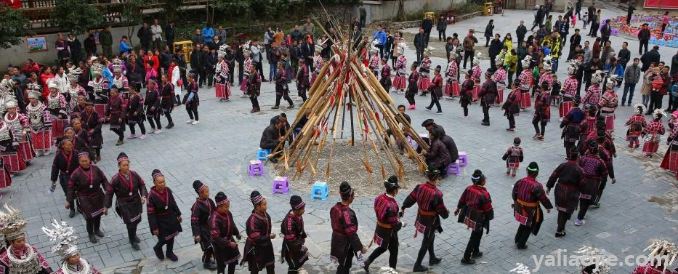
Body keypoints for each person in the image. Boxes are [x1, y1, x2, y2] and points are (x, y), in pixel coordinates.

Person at [401, 166, 448, 272]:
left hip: (421, 217)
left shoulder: (419, 187)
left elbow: (411, 198)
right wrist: (446, 214)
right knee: (426, 241)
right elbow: (442, 211)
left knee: (431, 237)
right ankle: (417, 265)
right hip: (430, 221)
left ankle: (432, 258)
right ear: (436, 178)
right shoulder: (437, 194)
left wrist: (404, 206)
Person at [105, 152, 148, 250]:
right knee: (130, 223)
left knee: (136, 220)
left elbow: (142, 185)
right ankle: (132, 240)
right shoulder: (115, 179)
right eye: (124, 165)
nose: (126, 167)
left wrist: (143, 195)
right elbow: (109, 193)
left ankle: (134, 234)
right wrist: (106, 206)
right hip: (124, 204)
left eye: (127, 164)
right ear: (119, 166)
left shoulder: (134, 174)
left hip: (136, 201)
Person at [67, 151, 108, 243]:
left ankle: (97, 230)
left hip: (97, 195)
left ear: (89, 160)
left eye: (86, 160)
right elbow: (70, 187)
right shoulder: (75, 173)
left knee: (98, 214)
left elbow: (104, 180)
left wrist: (108, 190)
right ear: (79, 162)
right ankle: (91, 234)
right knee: (89, 217)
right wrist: (68, 201)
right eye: (82, 161)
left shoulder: (96, 169)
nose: (85, 163)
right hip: (84, 198)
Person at [363, 176, 402, 272]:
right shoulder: (392, 205)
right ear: (394, 190)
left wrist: (396, 216)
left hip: (379, 228)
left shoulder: (378, 198)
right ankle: (392, 270)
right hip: (389, 232)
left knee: (383, 247)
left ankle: (367, 262)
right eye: (397, 189)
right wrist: (401, 223)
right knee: (394, 251)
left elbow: (383, 214)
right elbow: (395, 225)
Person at [455, 169, 493, 265]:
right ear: (482, 181)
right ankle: (466, 257)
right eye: (484, 179)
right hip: (479, 218)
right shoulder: (484, 194)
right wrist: (490, 216)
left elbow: (462, 199)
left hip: (469, 214)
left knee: (478, 233)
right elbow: (488, 208)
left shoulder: (469, 188)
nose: (485, 180)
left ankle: (476, 251)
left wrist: (458, 208)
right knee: (475, 236)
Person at [512, 162, 553, 249]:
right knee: (529, 225)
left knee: (523, 222)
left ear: (527, 171)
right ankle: (521, 244)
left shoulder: (520, 181)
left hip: (519, 206)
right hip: (530, 210)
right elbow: (543, 198)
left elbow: (514, 194)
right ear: (537, 173)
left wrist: (516, 202)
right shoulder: (537, 186)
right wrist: (548, 207)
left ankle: (517, 239)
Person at [0, 206, 52, 273]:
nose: (22, 242)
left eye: (23, 240)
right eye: (19, 241)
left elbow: (43, 263)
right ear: (11, 242)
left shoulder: (31, 249)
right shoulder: (5, 258)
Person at [545, 148, 583, 237]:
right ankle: (560, 230)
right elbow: (583, 183)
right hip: (572, 193)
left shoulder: (563, 165)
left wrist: (549, 187)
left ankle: (560, 228)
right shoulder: (579, 170)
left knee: (561, 210)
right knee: (565, 211)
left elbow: (554, 175)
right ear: (577, 157)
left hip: (560, 190)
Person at [330, 182, 366, 274]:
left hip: (336, 241)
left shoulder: (334, 208)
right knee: (344, 266)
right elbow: (352, 235)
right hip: (344, 245)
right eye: (353, 195)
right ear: (349, 197)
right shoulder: (348, 214)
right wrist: (361, 247)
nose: (354, 197)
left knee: (342, 265)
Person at [148, 169, 182, 261]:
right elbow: (151, 213)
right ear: (154, 182)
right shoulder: (151, 196)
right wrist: (154, 227)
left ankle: (169, 252)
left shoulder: (168, 190)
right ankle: (158, 248)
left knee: (172, 235)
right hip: (160, 220)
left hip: (171, 217)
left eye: (163, 182)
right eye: (160, 182)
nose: (162, 184)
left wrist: (178, 214)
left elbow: (173, 203)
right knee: (164, 238)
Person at [574, 140, 608, 226]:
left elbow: (577, 169)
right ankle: (579, 219)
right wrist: (602, 185)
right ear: (597, 150)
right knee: (586, 200)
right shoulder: (600, 162)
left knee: (583, 199)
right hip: (592, 184)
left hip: (582, 182)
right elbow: (604, 174)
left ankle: (581, 214)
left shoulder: (583, 158)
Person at [242, 191, 275, 274]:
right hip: (256, 249)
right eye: (264, 204)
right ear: (257, 206)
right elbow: (256, 238)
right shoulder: (252, 221)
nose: (266, 206)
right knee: (255, 269)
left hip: (267, 246)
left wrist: (268, 237)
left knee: (271, 266)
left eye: (266, 204)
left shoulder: (266, 215)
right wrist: (269, 236)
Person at [210, 192, 241, 274]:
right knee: (221, 266)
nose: (228, 209)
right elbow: (216, 237)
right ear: (219, 207)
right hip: (220, 245)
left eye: (228, 206)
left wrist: (237, 233)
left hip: (229, 240)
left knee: (233, 262)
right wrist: (229, 243)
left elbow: (232, 224)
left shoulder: (228, 213)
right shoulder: (214, 219)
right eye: (226, 207)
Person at [190, 180, 217, 270]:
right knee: (208, 247)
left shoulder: (210, 201)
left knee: (213, 244)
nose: (208, 193)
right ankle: (206, 262)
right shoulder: (196, 206)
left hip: (210, 228)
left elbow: (215, 212)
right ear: (200, 193)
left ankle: (208, 258)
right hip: (202, 230)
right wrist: (196, 234)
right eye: (206, 192)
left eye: (208, 191)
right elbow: (194, 221)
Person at [50, 138, 80, 216]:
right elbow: (55, 167)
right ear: (63, 146)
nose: (71, 146)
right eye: (68, 145)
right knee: (68, 193)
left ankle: (79, 206)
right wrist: (54, 180)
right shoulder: (58, 155)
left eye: (71, 144)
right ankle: (72, 209)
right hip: (64, 177)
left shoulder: (76, 153)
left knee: (78, 191)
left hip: (76, 176)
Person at [281, 195, 309, 273]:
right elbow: (291, 241)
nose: (304, 210)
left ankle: (297, 269)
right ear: (296, 209)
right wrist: (301, 245)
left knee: (298, 263)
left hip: (297, 244)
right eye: (302, 209)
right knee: (293, 266)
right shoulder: (289, 222)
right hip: (291, 248)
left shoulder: (298, 216)